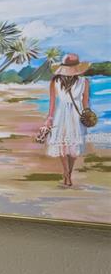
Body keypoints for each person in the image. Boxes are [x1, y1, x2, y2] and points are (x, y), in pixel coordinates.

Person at [44, 53, 92, 186]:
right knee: (62, 145)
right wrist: (50, 118)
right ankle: (66, 172)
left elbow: (85, 102)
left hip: (75, 116)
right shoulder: (55, 81)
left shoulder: (84, 82)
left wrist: (87, 115)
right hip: (61, 114)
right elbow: (52, 103)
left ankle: (68, 173)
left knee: (74, 147)